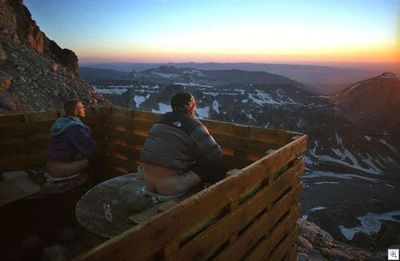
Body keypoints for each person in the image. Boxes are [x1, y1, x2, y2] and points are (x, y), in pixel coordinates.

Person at [140, 91, 226, 196]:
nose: (195, 108)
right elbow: (216, 155)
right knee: (210, 167)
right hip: (170, 186)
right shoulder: (194, 127)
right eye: (194, 105)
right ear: (188, 106)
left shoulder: (160, 122)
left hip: (146, 181)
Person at [46, 99, 97, 181]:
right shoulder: (75, 129)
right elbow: (89, 149)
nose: (84, 109)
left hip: (50, 166)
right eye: (82, 107)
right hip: (62, 169)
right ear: (76, 112)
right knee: (93, 158)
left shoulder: (62, 122)